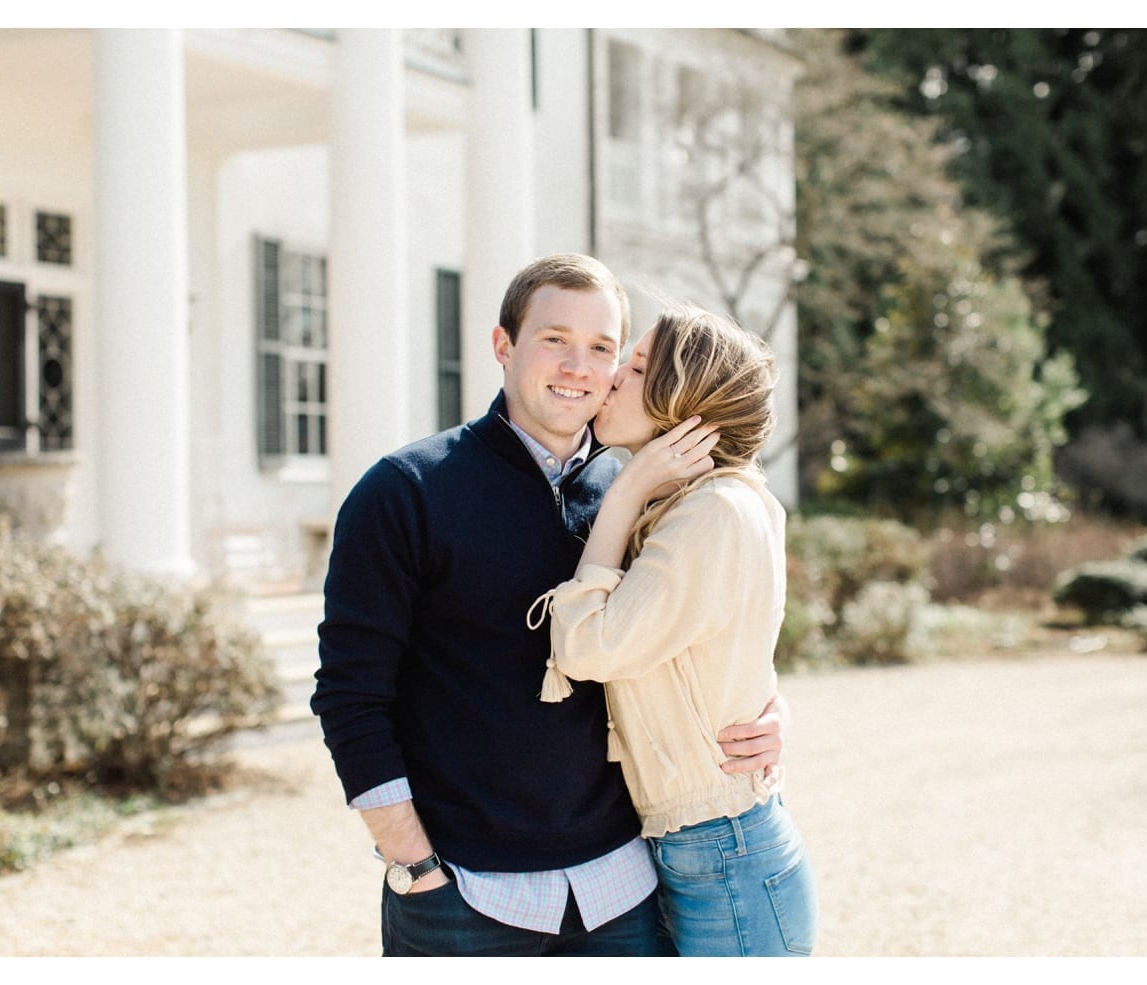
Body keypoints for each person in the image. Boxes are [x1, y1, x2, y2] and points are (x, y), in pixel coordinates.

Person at [310, 254, 785, 957]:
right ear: (504, 346)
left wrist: (766, 710)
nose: (579, 365)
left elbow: (703, 627)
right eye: (554, 338)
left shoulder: (643, 491)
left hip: (621, 888)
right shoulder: (406, 491)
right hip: (466, 893)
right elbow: (350, 694)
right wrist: (412, 862)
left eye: (602, 348)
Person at [531, 304, 817, 956]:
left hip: (725, 853)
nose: (609, 379)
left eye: (633, 367)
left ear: (681, 404)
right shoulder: (705, 503)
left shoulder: (712, 511)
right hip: (704, 846)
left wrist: (627, 488)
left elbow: (585, 647)